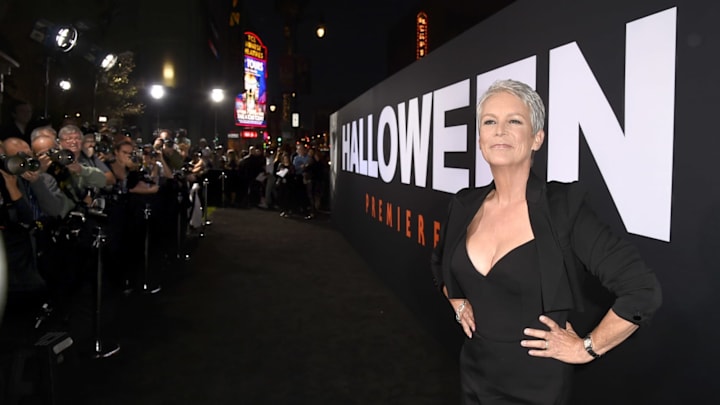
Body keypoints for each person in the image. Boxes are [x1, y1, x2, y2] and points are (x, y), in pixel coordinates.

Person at [430, 79, 662, 404]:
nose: (499, 130)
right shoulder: (464, 204)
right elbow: (441, 263)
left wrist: (587, 348)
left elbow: (642, 290)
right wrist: (456, 299)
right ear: (480, 138)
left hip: (537, 389)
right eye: (489, 122)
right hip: (474, 374)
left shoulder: (563, 208)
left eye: (514, 120)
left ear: (537, 137)